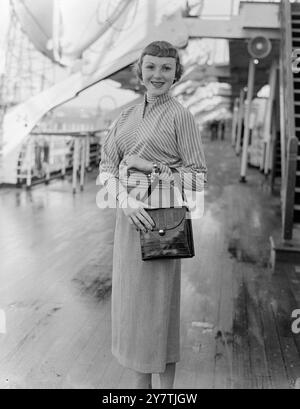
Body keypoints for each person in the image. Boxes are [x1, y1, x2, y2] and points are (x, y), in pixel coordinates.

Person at [98, 41, 207, 389]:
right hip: (129, 221)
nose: (157, 75)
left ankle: (165, 392)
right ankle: (141, 388)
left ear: (176, 73)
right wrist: (125, 202)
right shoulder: (126, 115)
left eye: (165, 68)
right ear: (140, 71)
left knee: (157, 309)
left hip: (161, 223)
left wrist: (153, 169)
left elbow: (197, 177)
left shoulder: (181, 115)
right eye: (151, 67)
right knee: (131, 307)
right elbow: (105, 168)